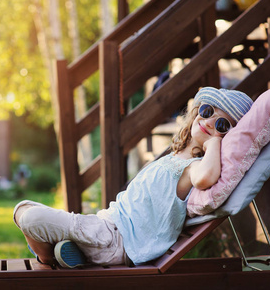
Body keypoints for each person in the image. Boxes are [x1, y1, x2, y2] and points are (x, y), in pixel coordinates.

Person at [13, 87, 253, 268]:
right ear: (196, 113)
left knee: (30, 218)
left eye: (221, 124)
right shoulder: (175, 156)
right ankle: (68, 252)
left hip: (116, 240)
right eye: (207, 111)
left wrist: (213, 145)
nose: (209, 122)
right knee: (22, 209)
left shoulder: (193, 168)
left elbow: (205, 179)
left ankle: (47, 260)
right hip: (104, 225)